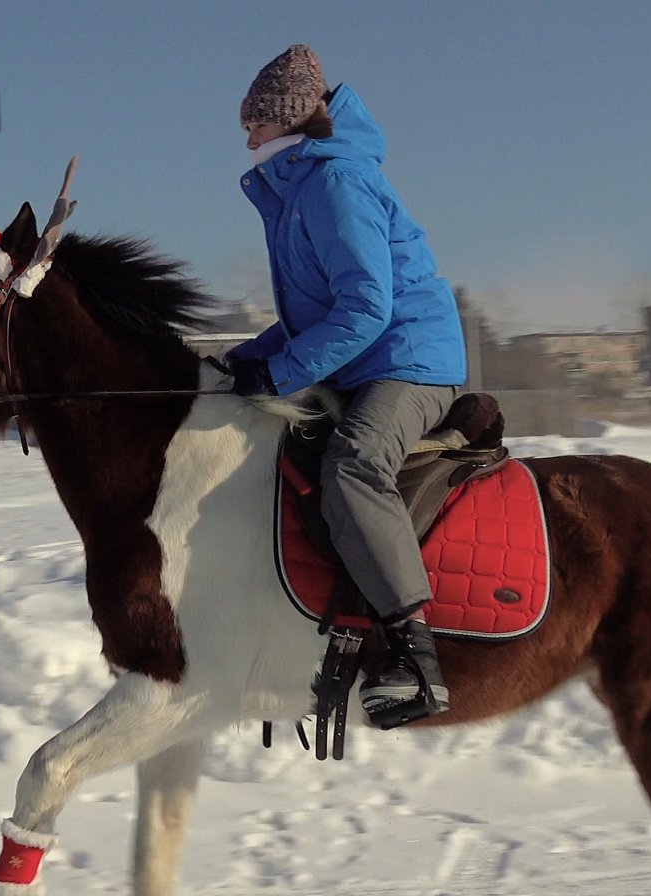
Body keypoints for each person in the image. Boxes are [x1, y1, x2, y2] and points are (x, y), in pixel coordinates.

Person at [222, 44, 467, 727]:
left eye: (255, 124)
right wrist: (240, 360)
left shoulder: (335, 183)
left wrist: (279, 372)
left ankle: (414, 656)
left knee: (355, 463)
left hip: (410, 362)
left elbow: (365, 309)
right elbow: (313, 315)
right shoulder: (300, 188)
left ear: (289, 121)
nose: (248, 139)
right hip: (361, 359)